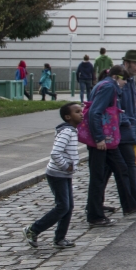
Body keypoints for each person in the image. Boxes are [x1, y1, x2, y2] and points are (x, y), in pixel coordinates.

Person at [22, 102, 83, 249]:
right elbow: (55, 152)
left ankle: (60, 238)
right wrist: (65, 166)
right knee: (63, 206)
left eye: (81, 111)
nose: (81, 114)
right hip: (57, 174)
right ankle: (33, 230)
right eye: (77, 112)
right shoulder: (67, 132)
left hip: (64, 174)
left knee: (68, 206)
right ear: (68, 117)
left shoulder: (72, 130)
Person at [84, 66, 136, 225]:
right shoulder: (109, 86)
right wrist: (99, 138)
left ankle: (129, 205)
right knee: (98, 176)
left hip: (108, 139)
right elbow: (95, 112)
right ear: (117, 77)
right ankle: (95, 215)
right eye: (125, 80)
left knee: (121, 169)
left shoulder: (104, 84)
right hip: (102, 139)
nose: (125, 83)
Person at [110, 50, 136, 209]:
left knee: (112, 170)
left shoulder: (130, 80)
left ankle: (96, 205)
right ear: (126, 63)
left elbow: (131, 105)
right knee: (128, 166)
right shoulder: (120, 79)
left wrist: (135, 117)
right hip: (120, 131)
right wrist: (127, 121)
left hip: (128, 130)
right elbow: (116, 105)